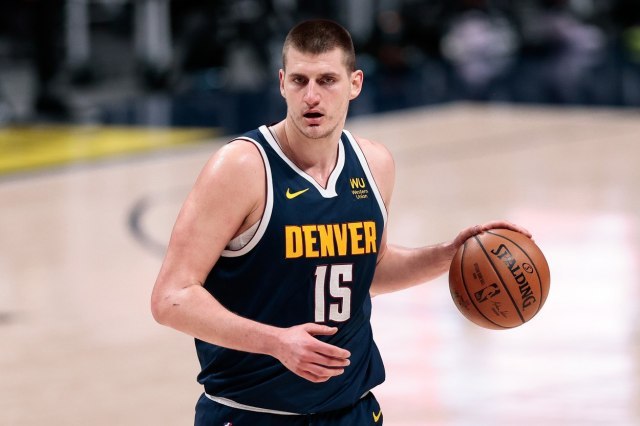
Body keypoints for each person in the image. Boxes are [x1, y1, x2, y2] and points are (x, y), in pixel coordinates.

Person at [151, 19, 530, 425]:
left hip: (353, 411)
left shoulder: (374, 164)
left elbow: (370, 270)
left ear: (355, 84)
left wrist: (449, 254)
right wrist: (276, 342)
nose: (311, 96)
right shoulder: (242, 167)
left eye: (327, 80)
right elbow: (171, 297)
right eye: (299, 80)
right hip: (252, 413)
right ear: (282, 84)